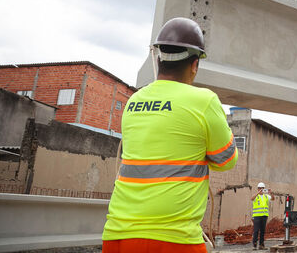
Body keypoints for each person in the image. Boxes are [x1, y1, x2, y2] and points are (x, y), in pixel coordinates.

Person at [102, 17, 238, 252]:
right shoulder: (204, 101)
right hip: (174, 239)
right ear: (194, 65)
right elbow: (227, 161)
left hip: (117, 236)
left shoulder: (134, 101)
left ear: (158, 58)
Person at [251, 182, 272, 250]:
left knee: (262, 231)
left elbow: (273, 199)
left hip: (264, 216)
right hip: (257, 216)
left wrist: (271, 193)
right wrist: (258, 193)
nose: (261, 189)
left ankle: (261, 245)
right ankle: (254, 245)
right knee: (256, 230)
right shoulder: (256, 196)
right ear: (257, 189)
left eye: (262, 188)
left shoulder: (266, 196)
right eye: (259, 188)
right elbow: (252, 198)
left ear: (264, 188)